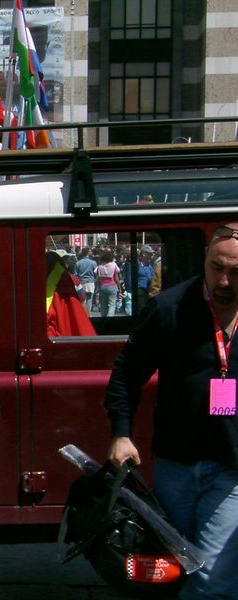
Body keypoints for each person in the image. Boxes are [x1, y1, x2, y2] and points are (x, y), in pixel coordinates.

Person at [104, 224, 238, 599]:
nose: (224, 281)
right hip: (175, 463)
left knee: (212, 577)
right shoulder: (171, 307)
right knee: (169, 567)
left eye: (236, 272)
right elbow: (127, 373)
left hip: (232, 469)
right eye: (217, 268)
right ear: (205, 259)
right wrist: (121, 433)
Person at [95, 250, 121, 317]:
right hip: (112, 286)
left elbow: (98, 279)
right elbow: (116, 278)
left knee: (103, 304)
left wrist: (97, 289)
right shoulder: (113, 265)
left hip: (102, 286)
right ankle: (110, 317)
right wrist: (119, 288)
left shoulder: (99, 266)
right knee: (112, 304)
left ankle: (103, 317)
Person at [74, 247, 97, 314]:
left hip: (81, 282)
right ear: (88, 253)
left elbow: (75, 274)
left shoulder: (78, 263)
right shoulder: (93, 262)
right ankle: (88, 314)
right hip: (90, 282)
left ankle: (82, 314)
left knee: (82, 300)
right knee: (89, 299)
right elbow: (96, 273)